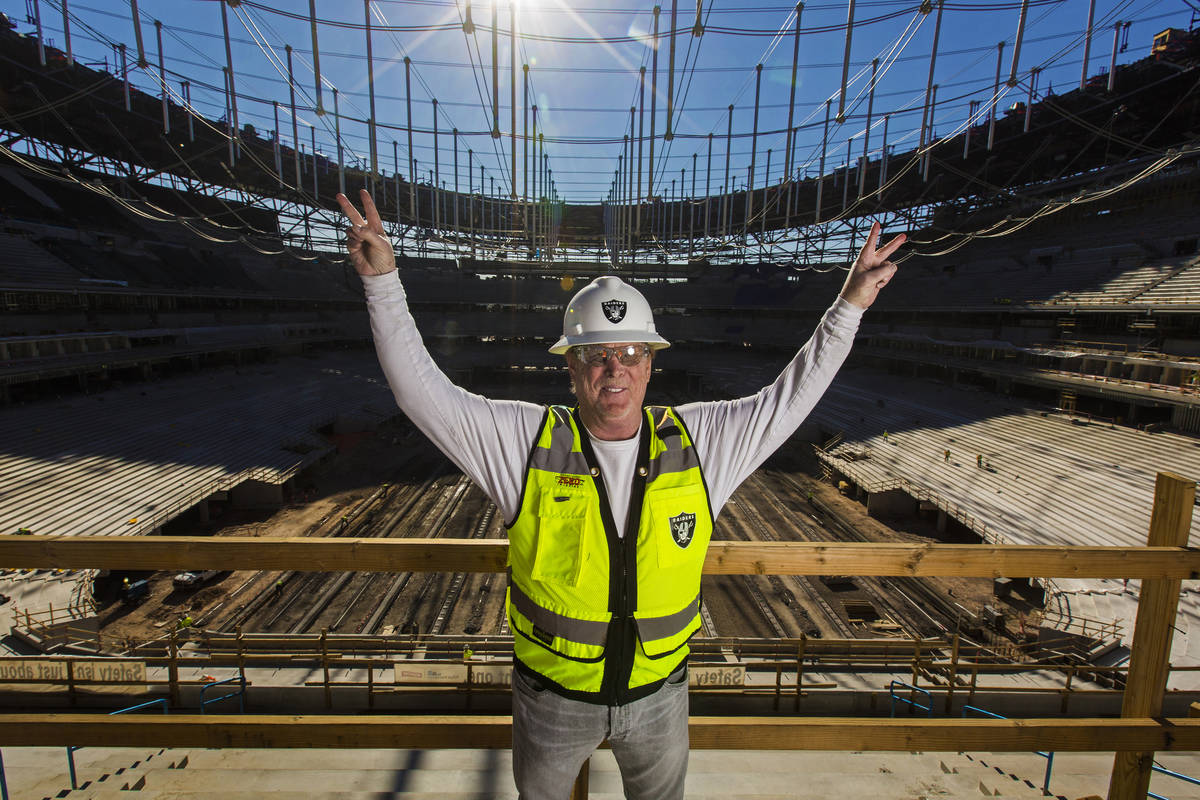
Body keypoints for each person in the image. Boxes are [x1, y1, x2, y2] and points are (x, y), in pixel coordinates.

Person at [336, 189, 902, 800]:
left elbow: (789, 397)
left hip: (662, 699)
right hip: (552, 700)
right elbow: (423, 395)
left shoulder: (701, 443)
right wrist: (383, 283)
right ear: (572, 365)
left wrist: (850, 304)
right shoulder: (524, 443)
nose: (615, 369)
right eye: (597, 355)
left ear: (651, 364)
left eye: (630, 353)